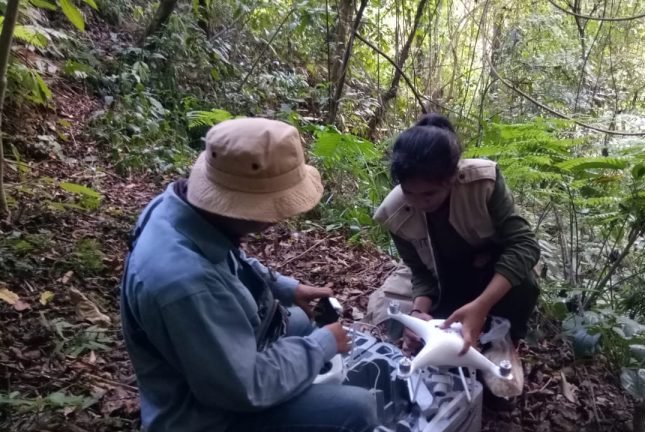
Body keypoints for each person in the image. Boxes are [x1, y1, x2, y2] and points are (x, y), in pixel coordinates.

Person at [120, 118, 378, 432]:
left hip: (214, 372)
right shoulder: (186, 284)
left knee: (298, 318)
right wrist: (322, 345)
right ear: (248, 210)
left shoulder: (178, 207)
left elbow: (227, 259)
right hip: (206, 418)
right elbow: (246, 388)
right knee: (358, 409)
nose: (279, 218)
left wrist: (287, 288)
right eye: (277, 209)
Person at [367, 113, 541, 354]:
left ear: (451, 179)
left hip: (491, 270)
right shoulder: (394, 212)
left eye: (429, 194)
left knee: (523, 285)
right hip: (445, 277)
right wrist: (418, 313)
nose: (418, 203)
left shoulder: (483, 183)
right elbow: (420, 271)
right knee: (404, 325)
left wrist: (481, 305)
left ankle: (504, 343)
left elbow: (525, 245)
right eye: (409, 192)